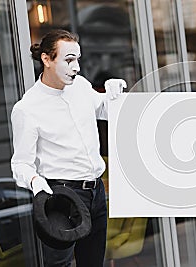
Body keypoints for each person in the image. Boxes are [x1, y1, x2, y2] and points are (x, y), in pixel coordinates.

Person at [11, 29, 126, 267]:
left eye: (78, 59)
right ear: (47, 59)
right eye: (69, 60)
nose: (76, 67)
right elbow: (20, 163)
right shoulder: (27, 108)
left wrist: (113, 93)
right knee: (58, 265)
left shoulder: (81, 86)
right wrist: (35, 182)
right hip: (61, 196)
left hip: (95, 192)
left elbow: (104, 109)